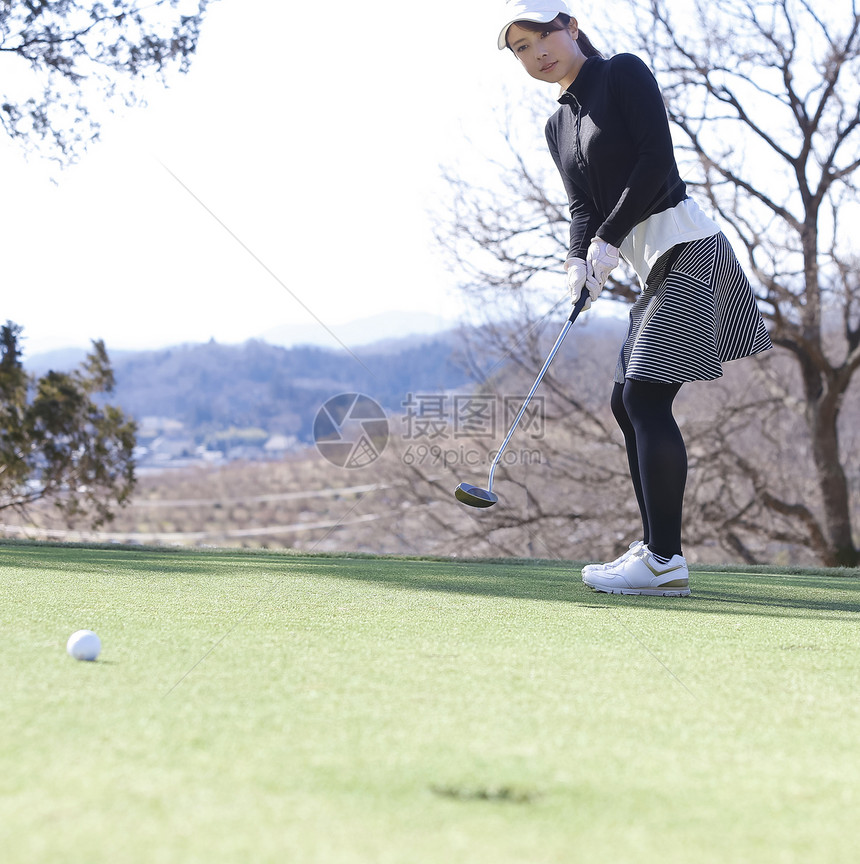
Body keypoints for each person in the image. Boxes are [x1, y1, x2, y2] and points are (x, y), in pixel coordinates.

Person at [497, 0, 772, 596]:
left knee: (645, 401)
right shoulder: (557, 125)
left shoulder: (622, 72)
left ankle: (664, 561)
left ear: (570, 27)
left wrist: (606, 239)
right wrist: (577, 258)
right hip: (654, 270)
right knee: (627, 403)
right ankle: (655, 552)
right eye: (520, 48)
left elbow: (656, 162)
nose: (535, 52)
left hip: (690, 250)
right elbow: (581, 207)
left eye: (542, 34)